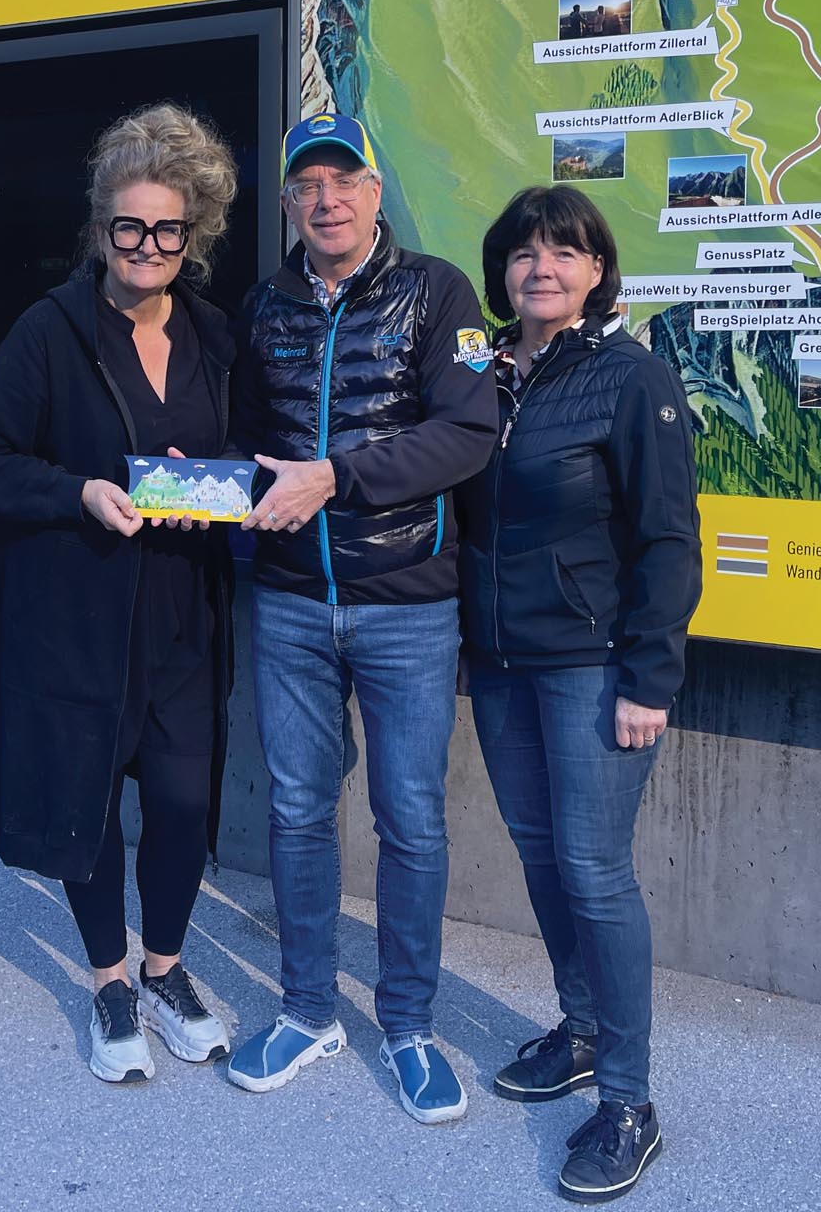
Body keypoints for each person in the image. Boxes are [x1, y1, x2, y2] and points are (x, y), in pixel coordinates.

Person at [0, 104, 239, 1084]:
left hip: (184, 609)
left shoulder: (215, 335)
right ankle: (111, 979)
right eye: (129, 226)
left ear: (193, 233)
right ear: (100, 226)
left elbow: (241, 454)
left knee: (182, 800)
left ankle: (166, 968)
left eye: (168, 229)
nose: (147, 246)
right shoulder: (49, 331)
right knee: (90, 801)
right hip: (78, 613)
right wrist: (77, 491)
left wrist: (214, 485)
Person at [222, 112, 497, 1124]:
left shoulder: (438, 292)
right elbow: (244, 444)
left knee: (409, 818)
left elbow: (467, 432)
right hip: (291, 602)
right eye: (308, 184)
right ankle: (306, 1010)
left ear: (375, 192)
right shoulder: (263, 307)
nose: (326, 199)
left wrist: (335, 477)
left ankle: (410, 1025)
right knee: (297, 809)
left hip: (407, 604)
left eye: (344, 180)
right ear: (288, 202)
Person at [456, 184, 699, 1203]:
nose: (541, 267)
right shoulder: (478, 373)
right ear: (502, 271)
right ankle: (584, 1027)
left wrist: (650, 677)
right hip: (499, 663)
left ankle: (630, 1103)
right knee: (540, 853)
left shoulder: (631, 377)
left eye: (563, 251)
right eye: (523, 252)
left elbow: (669, 538)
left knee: (596, 872)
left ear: (597, 270)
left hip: (594, 666)